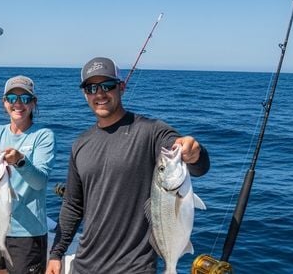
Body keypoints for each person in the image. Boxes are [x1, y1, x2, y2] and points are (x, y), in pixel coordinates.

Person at [47, 57, 210, 274]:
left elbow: (198, 165)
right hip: (85, 265)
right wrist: (56, 253)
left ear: (121, 87)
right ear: (84, 93)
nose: (100, 93)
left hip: (134, 267)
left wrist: (194, 153)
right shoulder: (80, 144)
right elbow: (73, 205)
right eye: (91, 87)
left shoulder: (151, 131)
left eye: (107, 86)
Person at [0, 75, 55, 274]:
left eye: (25, 99)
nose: (18, 104)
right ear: (4, 102)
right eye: (12, 98)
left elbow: (39, 182)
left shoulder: (43, 136)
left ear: (33, 103)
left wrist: (20, 161)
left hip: (27, 234)